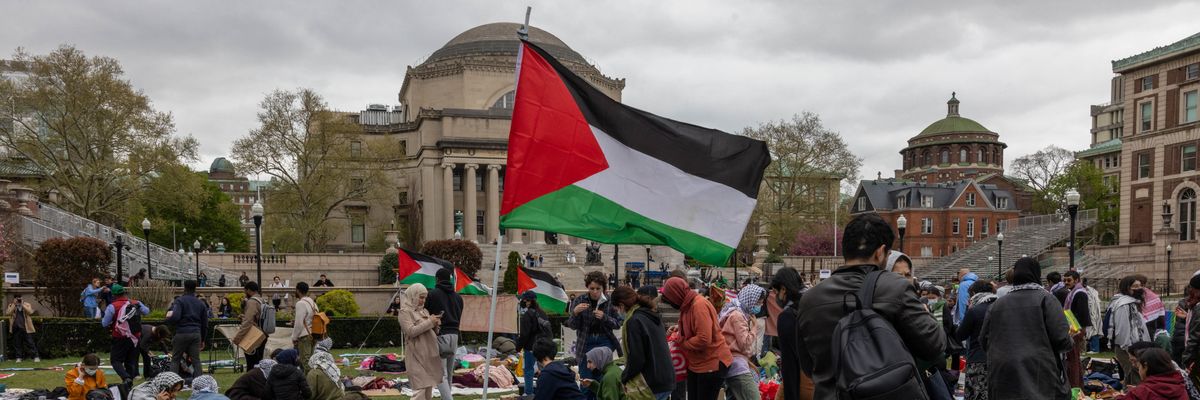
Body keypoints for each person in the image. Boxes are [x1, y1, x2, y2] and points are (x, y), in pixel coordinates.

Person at [793, 213, 944, 400]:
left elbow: (808, 365)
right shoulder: (896, 288)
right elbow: (934, 346)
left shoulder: (810, 299)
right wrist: (926, 314)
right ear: (880, 252)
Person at [981, 257, 1072, 400]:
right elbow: (1061, 338)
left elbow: (984, 339)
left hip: (1002, 371)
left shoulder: (997, 304)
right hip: (1038, 370)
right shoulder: (1047, 299)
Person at [662, 276, 734, 400]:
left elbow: (703, 339)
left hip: (712, 363)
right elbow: (696, 326)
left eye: (671, 300)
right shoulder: (687, 305)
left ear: (677, 295)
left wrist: (682, 341)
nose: (671, 303)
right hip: (698, 363)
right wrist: (679, 328)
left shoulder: (698, 305)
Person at [565, 271, 622, 400]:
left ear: (603, 288)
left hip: (604, 342)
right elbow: (572, 325)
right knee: (586, 382)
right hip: (586, 342)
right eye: (592, 288)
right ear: (587, 288)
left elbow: (618, 323)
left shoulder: (609, 301)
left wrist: (605, 318)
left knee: (603, 380)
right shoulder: (580, 300)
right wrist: (575, 313)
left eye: (598, 288)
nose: (595, 291)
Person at [611, 286, 675, 399]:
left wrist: (624, 377)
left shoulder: (634, 321)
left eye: (616, 309)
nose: (618, 313)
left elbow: (637, 358)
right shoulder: (651, 314)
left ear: (621, 305)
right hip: (666, 379)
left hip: (651, 383)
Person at [770, 267, 814, 400]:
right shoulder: (815, 302)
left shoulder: (788, 316)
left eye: (775, 292)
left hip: (805, 379)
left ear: (783, 289)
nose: (775, 297)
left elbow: (790, 365)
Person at [719, 284, 766, 400]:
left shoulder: (734, 312)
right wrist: (755, 327)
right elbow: (745, 345)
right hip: (737, 368)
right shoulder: (738, 316)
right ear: (750, 300)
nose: (760, 306)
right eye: (758, 303)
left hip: (732, 364)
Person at [398, 283, 443, 400]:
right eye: (421, 297)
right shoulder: (404, 312)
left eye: (424, 298)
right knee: (420, 391)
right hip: (415, 356)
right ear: (413, 295)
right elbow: (411, 331)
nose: (423, 301)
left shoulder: (424, 311)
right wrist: (430, 322)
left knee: (428, 390)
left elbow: (431, 332)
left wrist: (436, 325)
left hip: (428, 354)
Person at [424, 268, 463, 400]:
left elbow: (425, 315)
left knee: (440, 374)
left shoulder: (432, 294)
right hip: (455, 335)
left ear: (437, 279)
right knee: (449, 373)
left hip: (441, 335)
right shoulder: (458, 297)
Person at [956, 279, 997, 400]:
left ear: (973, 293)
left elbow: (960, 335)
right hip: (1000, 358)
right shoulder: (1001, 306)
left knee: (977, 394)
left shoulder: (974, 310)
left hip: (977, 358)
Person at [101, 284, 149, 383]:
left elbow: (104, 323)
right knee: (130, 361)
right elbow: (146, 311)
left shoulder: (112, 306)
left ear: (113, 295)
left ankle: (126, 378)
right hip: (135, 337)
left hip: (119, 337)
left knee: (115, 361)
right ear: (124, 292)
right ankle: (129, 383)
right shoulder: (136, 303)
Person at [1111, 275, 1153, 385]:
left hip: (1136, 348)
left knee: (1133, 378)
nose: (1139, 289)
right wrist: (1129, 350)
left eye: (1140, 286)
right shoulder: (1123, 305)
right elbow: (1122, 329)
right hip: (1128, 348)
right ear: (1127, 288)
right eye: (1135, 286)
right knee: (1134, 379)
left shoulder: (1134, 303)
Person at [167, 279, 209, 381]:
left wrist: (168, 318)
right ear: (195, 288)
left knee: (175, 359)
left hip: (182, 332)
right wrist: (203, 339)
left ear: (184, 288)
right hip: (195, 333)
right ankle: (200, 383)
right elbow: (205, 324)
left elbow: (175, 317)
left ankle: (172, 383)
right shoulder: (200, 304)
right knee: (196, 360)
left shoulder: (180, 301)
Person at [1117, 347, 1187, 399]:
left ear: (1146, 366)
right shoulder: (1180, 386)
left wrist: (1118, 396)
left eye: (1139, 366)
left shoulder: (1141, 392)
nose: (1138, 370)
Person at [1061, 270, 1091, 388]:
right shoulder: (1073, 292)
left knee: (1073, 360)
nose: (1066, 283)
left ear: (1077, 280)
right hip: (1073, 328)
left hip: (1075, 330)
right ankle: (1076, 384)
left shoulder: (1079, 293)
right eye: (1064, 280)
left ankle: (1075, 385)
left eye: (1069, 280)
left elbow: (1082, 315)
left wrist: (1077, 332)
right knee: (1073, 359)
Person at [518, 291, 551, 395]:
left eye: (523, 300)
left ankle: (529, 393)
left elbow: (524, 334)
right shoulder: (542, 312)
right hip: (543, 345)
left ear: (528, 301)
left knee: (528, 369)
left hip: (531, 346)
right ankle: (545, 391)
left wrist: (518, 347)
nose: (522, 302)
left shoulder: (528, 315)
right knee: (545, 369)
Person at [232, 281, 268, 368]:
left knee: (251, 365)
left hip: (254, 336)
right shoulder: (262, 300)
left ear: (248, 290)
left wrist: (237, 338)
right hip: (262, 334)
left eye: (245, 291)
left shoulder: (252, 302)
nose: (245, 293)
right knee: (258, 364)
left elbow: (248, 322)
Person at [6, 294, 40, 362]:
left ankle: (36, 357)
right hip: (16, 327)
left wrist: (22, 305)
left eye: (19, 298)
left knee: (30, 343)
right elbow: (8, 313)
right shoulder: (11, 305)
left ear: (22, 298)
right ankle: (19, 358)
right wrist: (14, 305)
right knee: (17, 344)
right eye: (17, 298)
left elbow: (30, 312)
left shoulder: (27, 304)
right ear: (14, 299)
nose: (18, 299)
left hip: (26, 328)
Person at [293, 281, 318, 371]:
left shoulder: (300, 303)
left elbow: (299, 323)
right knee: (310, 360)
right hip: (314, 333)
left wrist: (294, 337)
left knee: (305, 362)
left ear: (298, 290)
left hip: (304, 335)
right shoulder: (312, 303)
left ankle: (309, 383)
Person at [1084, 278, 1103, 354]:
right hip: (1092, 313)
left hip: (1092, 313)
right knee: (1092, 330)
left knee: (1093, 330)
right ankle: (1092, 348)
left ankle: (1095, 349)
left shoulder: (1090, 291)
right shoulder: (1092, 291)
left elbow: (1091, 303)